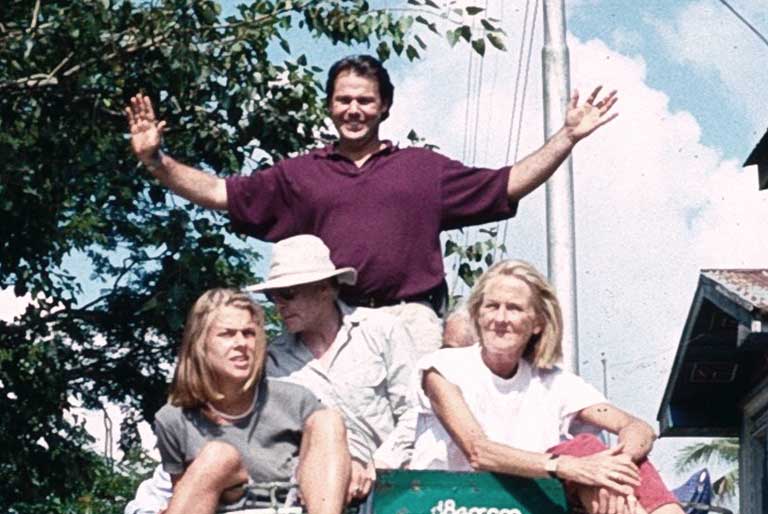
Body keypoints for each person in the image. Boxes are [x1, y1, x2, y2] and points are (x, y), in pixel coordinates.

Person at [125, 54, 619, 354]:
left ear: (384, 106)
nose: (354, 110)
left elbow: (507, 184)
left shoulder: (423, 169)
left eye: (365, 100)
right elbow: (221, 193)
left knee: (415, 441)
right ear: (329, 106)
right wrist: (156, 161)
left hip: (411, 321)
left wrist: (567, 137)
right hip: (332, 325)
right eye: (344, 100)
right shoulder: (300, 174)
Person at [410, 260, 683, 514]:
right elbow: (479, 451)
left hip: (524, 506)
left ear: (538, 323)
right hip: (451, 504)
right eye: (491, 306)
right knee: (583, 456)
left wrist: (617, 461)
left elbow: (638, 428)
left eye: (514, 308)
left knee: (598, 455)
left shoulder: (554, 382)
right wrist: (568, 466)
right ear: (478, 314)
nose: (501, 319)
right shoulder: (443, 368)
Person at [251, 234, 417, 501]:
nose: (280, 305)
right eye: (272, 296)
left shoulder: (382, 331)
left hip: (391, 488)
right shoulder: (272, 362)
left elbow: (414, 410)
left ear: (325, 289)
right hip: (311, 495)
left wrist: (379, 466)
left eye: (288, 294)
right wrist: (332, 475)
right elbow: (276, 444)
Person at [153, 288, 350, 514]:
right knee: (218, 456)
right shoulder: (172, 420)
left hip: (291, 507)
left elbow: (330, 457)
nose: (241, 343)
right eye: (227, 334)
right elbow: (183, 493)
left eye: (248, 333)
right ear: (200, 343)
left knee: (328, 421)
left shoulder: (296, 402)